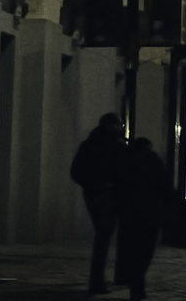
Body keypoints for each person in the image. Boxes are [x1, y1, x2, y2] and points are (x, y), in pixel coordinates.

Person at [71, 113, 126, 294]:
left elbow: (76, 171)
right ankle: (97, 281)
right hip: (106, 195)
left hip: (97, 194)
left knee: (103, 237)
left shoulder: (90, 144)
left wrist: (92, 185)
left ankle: (99, 279)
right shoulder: (114, 146)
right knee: (103, 237)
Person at [113, 138, 168, 301]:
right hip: (150, 213)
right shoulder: (153, 160)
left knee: (131, 249)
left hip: (129, 214)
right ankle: (138, 281)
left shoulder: (125, 161)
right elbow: (164, 186)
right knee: (145, 250)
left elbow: (119, 187)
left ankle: (134, 281)